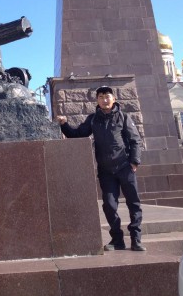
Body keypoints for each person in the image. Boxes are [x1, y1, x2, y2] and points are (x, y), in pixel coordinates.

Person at [56, 85, 146, 252]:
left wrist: (134, 161)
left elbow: (135, 140)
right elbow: (78, 134)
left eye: (107, 96)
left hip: (125, 167)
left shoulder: (124, 117)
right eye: (101, 97)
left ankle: (136, 239)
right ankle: (117, 239)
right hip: (106, 171)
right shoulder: (93, 119)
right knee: (109, 205)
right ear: (97, 100)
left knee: (133, 203)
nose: (104, 100)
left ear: (114, 99)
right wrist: (64, 124)